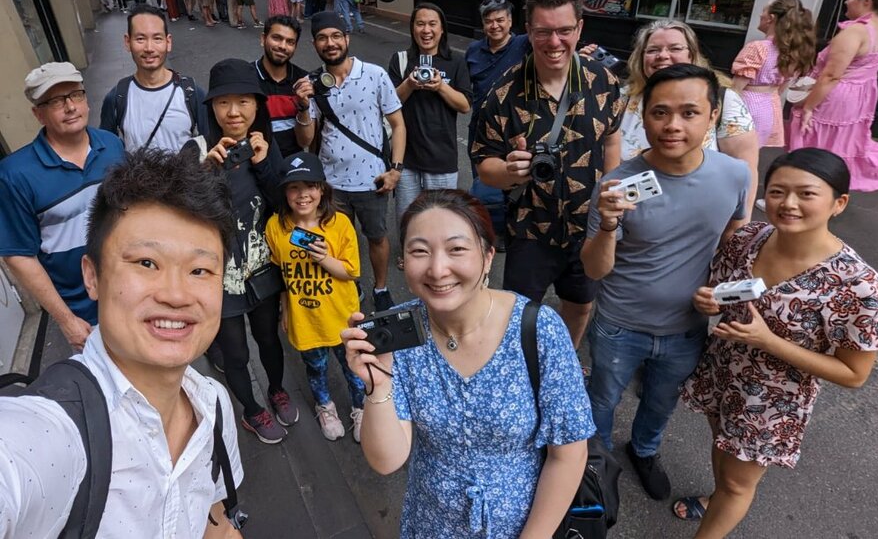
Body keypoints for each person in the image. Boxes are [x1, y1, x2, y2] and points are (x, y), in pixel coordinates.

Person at [0, 147, 244, 538]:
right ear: (92, 276)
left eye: (200, 270)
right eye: (147, 263)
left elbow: (213, 521)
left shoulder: (213, 404)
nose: (177, 295)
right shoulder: (53, 435)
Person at [343, 189, 594, 537]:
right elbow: (387, 460)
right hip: (430, 521)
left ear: (488, 256)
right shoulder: (400, 334)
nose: (437, 268)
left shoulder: (539, 330)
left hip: (523, 523)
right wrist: (377, 386)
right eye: (419, 251)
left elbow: (567, 454)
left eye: (456, 249)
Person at [678, 148, 878, 536]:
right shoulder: (750, 237)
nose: (788, 204)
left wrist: (768, 341)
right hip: (723, 374)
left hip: (772, 403)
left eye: (806, 194)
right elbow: (717, 293)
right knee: (724, 455)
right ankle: (717, 498)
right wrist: (708, 300)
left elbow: (855, 374)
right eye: (776, 192)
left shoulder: (858, 285)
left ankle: (720, 509)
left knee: (739, 482)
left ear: (839, 203)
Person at [581, 63, 751, 501]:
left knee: (660, 404)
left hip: (686, 329)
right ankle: (593, 464)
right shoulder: (617, 185)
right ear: (644, 114)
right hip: (619, 325)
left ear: (713, 115)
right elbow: (595, 271)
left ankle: (644, 451)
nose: (673, 125)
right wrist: (606, 225)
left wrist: (720, 288)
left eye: (689, 112)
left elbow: (733, 234)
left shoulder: (734, 175)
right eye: (660, 113)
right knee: (602, 400)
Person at [471, 0, 623, 348]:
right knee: (520, 314)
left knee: (580, 304)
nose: (554, 42)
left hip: (586, 228)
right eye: (543, 32)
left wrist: (613, 188)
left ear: (580, 28)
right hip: (529, 230)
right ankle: (525, 373)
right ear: (529, 30)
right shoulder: (503, 93)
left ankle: (565, 364)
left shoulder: (604, 82)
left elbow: (614, 134)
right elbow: (482, 165)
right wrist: (508, 171)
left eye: (564, 30)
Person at [191, 58, 294, 445]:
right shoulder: (197, 150)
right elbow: (183, 215)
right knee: (234, 353)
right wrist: (206, 170)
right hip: (219, 278)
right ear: (212, 108)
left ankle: (278, 389)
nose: (234, 112)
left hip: (261, 268)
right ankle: (252, 410)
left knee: (269, 339)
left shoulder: (265, 146)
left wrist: (265, 162)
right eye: (223, 103)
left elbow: (283, 205)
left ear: (257, 105)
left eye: (244, 102)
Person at [0, 62, 125, 350]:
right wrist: (66, 319)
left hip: (131, 289)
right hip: (83, 311)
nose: (70, 107)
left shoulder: (112, 145)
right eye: (56, 101)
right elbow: (20, 256)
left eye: (75, 95)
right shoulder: (15, 175)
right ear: (38, 114)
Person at [293, 11, 406, 312]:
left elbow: (398, 125)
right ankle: (349, 284)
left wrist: (395, 170)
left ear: (346, 38)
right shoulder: (312, 84)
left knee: (377, 237)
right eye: (322, 38)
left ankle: (380, 288)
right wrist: (303, 107)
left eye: (335, 36)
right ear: (314, 44)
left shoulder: (375, 74)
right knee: (338, 238)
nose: (330, 43)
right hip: (330, 182)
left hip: (372, 179)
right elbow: (306, 140)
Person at [265, 151, 365, 441]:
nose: (302, 195)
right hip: (305, 319)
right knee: (315, 368)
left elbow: (351, 271)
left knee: (353, 369)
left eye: (310, 186)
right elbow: (279, 270)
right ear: (285, 193)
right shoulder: (276, 227)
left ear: (322, 189)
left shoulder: (340, 224)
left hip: (342, 317)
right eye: (294, 188)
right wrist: (284, 304)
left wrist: (324, 260)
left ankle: (360, 408)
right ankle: (326, 407)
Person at [621, 19, 760, 214]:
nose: (663, 56)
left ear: (692, 54)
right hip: (631, 215)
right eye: (652, 50)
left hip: (697, 217)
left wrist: (739, 227)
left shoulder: (723, 99)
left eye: (674, 48)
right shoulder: (626, 97)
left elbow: (746, 170)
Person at [464, 0, 541, 239]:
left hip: (516, 128)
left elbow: (542, 21)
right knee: (484, 180)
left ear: (510, 21)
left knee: (517, 178)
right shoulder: (474, 51)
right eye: (489, 21)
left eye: (500, 20)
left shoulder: (523, 45)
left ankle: (515, 229)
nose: (494, 26)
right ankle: (491, 230)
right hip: (480, 127)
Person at [789, 0, 878, 192]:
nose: (846, 2)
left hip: (836, 97)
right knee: (838, 145)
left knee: (813, 144)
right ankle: (826, 193)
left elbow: (831, 75)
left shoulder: (856, 32)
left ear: (866, 1)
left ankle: (803, 193)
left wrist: (809, 106)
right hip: (861, 97)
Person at [388, 3, 471, 221]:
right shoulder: (400, 60)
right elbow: (389, 103)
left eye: (432, 24)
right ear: (412, 28)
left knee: (441, 219)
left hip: (441, 158)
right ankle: (408, 256)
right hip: (406, 157)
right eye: (420, 24)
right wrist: (409, 84)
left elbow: (464, 105)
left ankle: (437, 256)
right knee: (408, 218)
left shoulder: (456, 61)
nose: (426, 30)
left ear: (442, 29)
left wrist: (441, 86)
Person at [100, 5, 209, 153]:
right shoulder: (117, 97)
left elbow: (210, 145)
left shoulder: (191, 92)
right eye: (140, 39)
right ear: (127, 42)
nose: (149, 48)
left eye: (157, 38)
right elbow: (107, 153)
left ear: (168, 42)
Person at [731, 0, 816, 148]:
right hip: (769, 108)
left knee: (732, 153)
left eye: (763, 10)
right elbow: (780, 89)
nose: (760, 14)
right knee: (750, 157)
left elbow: (736, 90)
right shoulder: (792, 51)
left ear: (771, 17)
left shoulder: (758, 48)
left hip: (747, 106)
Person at [255, 15, 309, 158]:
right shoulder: (246, 78)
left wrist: (303, 107)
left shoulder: (303, 82)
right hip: (255, 163)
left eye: (290, 42)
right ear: (263, 39)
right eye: (277, 38)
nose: (282, 46)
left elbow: (305, 142)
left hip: (293, 165)